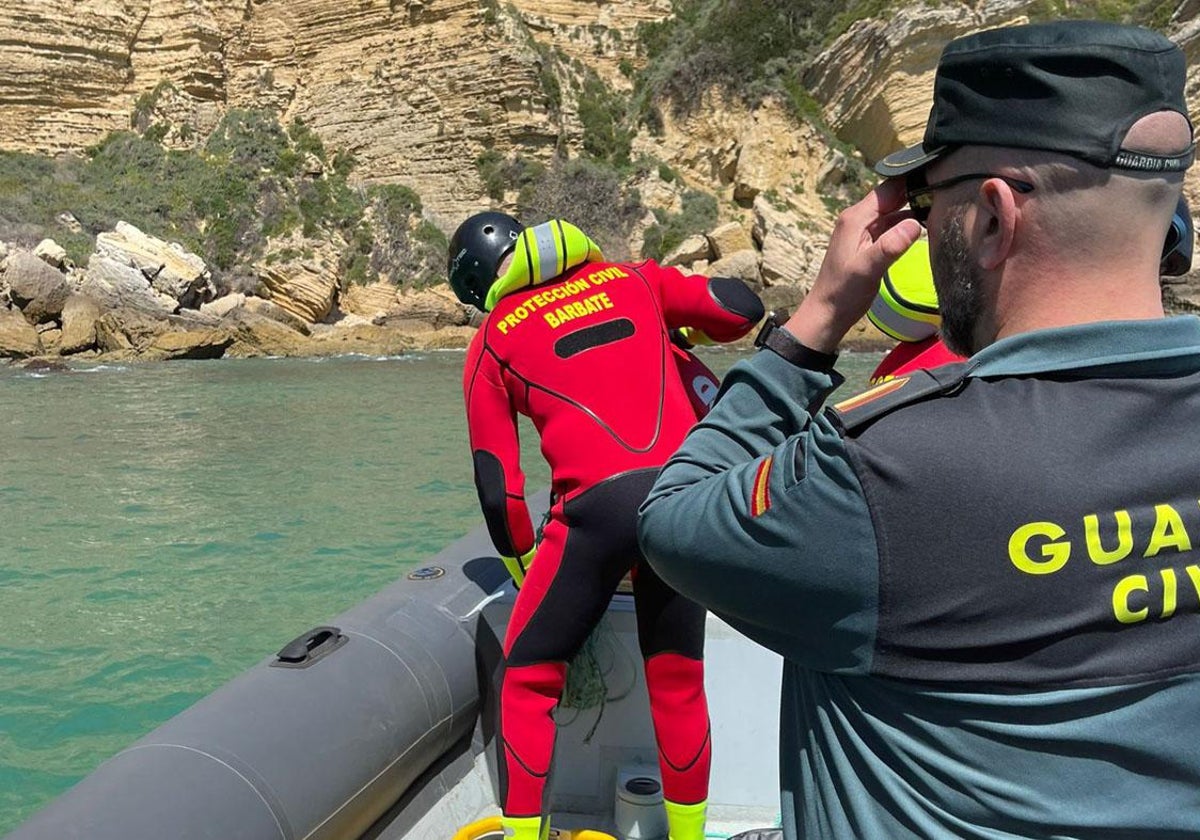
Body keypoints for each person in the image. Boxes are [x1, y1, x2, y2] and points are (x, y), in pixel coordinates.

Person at [638, 19, 1200, 840]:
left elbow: (671, 518)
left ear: (994, 217)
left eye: (930, 201)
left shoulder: (887, 471)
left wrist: (816, 324)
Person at [449, 212, 764, 840]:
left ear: (479, 285)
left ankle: (522, 836)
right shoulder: (635, 278)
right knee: (677, 679)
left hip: (593, 518)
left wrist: (525, 564)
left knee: (529, 675)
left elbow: (499, 489)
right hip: (685, 501)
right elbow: (739, 309)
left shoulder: (491, 341)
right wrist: (674, 319)